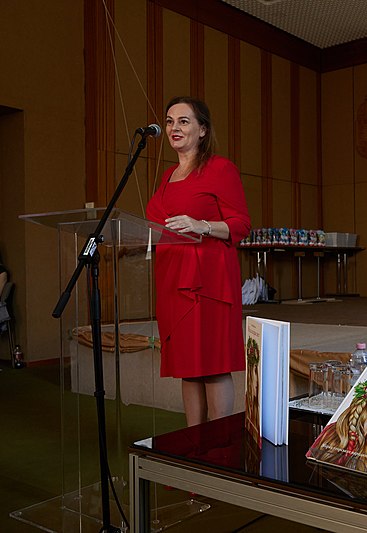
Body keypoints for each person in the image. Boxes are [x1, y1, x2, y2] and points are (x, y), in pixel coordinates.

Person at [146, 96, 251, 426]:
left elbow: (242, 224)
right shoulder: (166, 177)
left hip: (209, 282)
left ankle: (220, 448)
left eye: (184, 121)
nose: (174, 127)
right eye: (169, 121)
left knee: (213, 364)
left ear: (203, 129)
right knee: (188, 368)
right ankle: (194, 444)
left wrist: (201, 225)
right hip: (173, 280)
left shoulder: (220, 168)